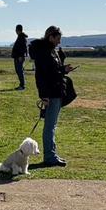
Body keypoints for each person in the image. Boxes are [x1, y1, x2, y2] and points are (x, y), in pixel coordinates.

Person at [31, 25, 72, 167]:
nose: (59, 42)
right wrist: (44, 95)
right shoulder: (44, 52)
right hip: (51, 94)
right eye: (58, 39)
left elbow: (53, 71)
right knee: (49, 126)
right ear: (51, 37)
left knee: (51, 126)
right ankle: (49, 156)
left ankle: (51, 154)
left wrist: (63, 67)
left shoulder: (50, 51)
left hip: (55, 92)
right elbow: (41, 76)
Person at [11, 24, 29, 90]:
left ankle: (22, 85)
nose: (15, 31)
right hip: (18, 56)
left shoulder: (21, 37)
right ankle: (21, 85)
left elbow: (23, 48)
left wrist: (21, 56)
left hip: (19, 57)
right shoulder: (20, 36)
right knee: (18, 70)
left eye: (16, 30)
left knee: (19, 71)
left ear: (18, 30)